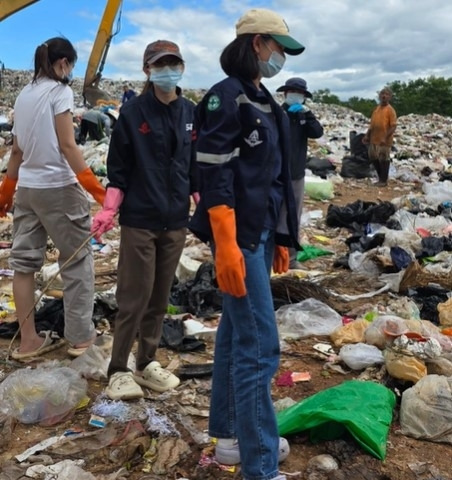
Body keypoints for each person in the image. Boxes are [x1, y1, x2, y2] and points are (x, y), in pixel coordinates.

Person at [189, 9, 304, 480]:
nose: (281, 57)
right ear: (257, 44)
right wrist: (227, 245)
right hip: (235, 237)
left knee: (237, 338)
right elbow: (214, 172)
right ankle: (260, 467)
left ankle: (234, 439)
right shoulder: (226, 97)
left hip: (256, 233)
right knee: (261, 346)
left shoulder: (267, 103)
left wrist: (281, 236)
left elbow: (273, 178)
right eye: (278, 47)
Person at [91, 39, 199, 400]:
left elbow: (193, 167)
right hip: (140, 219)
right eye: (160, 64)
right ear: (148, 70)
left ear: (181, 67)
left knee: (159, 296)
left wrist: (204, 202)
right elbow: (119, 169)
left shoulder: (189, 112)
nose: (168, 70)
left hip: (175, 221)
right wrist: (109, 209)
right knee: (133, 297)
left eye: (174, 63)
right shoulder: (134, 113)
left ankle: (146, 362)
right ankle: (118, 369)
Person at [0, 37, 106, 360]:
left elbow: (16, 150)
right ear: (62, 63)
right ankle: (80, 339)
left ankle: (29, 341)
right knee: (76, 262)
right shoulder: (61, 92)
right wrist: (98, 191)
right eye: (71, 64)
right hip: (58, 188)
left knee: (23, 266)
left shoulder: (24, 94)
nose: (71, 70)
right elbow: (68, 145)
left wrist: (6, 190)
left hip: (28, 190)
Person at [276, 77, 324, 268]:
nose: (296, 96)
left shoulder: (303, 116)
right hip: (276, 174)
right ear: (286, 93)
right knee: (274, 215)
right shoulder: (277, 113)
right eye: (293, 92)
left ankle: (292, 259)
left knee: (293, 217)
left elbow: (317, 133)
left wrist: (308, 115)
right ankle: (272, 255)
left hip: (296, 174)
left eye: (300, 93)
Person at [362, 87, 397, 187]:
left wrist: (385, 137)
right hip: (374, 138)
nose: (384, 96)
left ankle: (383, 180)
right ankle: (380, 177)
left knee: (384, 159)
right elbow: (372, 125)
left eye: (386, 94)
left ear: (390, 97)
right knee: (373, 157)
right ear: (379, 96)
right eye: (382, 94)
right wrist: (367, 135)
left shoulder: (390, 110)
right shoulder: (377, 109)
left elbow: (393, 126)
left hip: (385, 140)